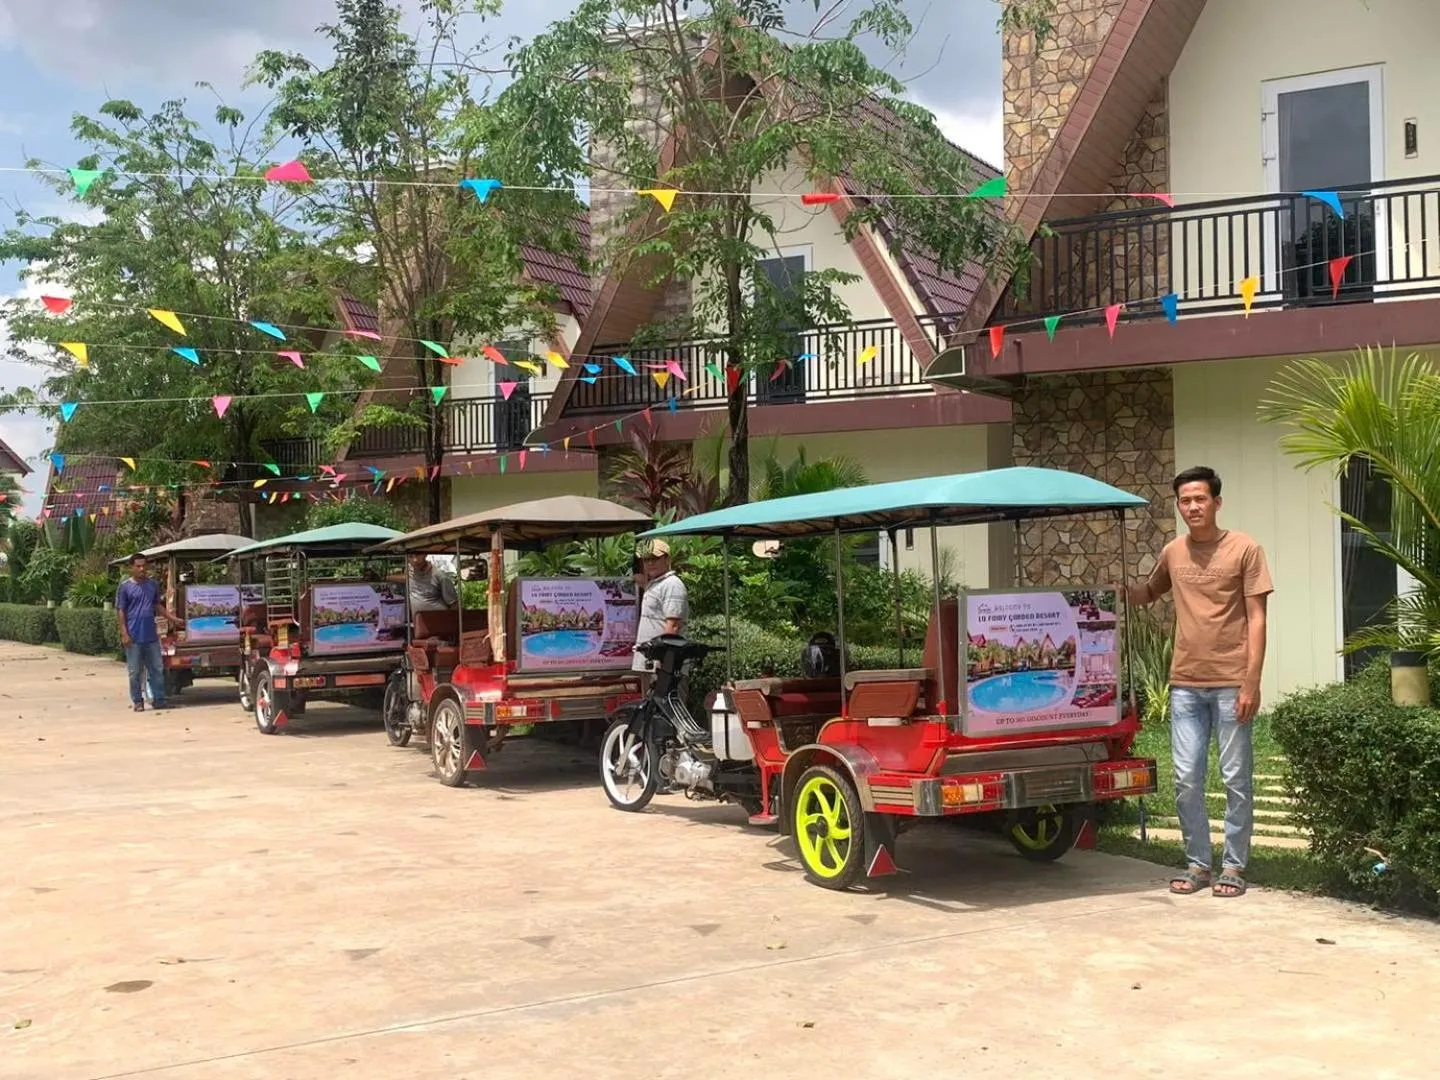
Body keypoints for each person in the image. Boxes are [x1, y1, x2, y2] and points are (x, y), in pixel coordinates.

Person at [1128, 465, 1273, 899]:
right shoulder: (1174, 552)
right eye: (1185, 500)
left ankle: (1233, 865)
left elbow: (1258, 617)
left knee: (1235, 778)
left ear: (1216, 502)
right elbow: (1148, 592)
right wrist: (1112, 590)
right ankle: (1197, 863)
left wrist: (1252, 682)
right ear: (1179, 506)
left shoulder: (1245, 549)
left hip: (1232, 682)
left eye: (1200, 499)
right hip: (1186, 683)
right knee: (1187, 778)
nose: (1192, 506)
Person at [115, 553, 178, 713]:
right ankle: (137, 701)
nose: (142, 569)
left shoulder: (152, 585)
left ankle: (160, 700)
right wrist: (124, 633)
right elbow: (121, 611)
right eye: (138, 566)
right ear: (131, 568)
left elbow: (157, 605)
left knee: (156, 669)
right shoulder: (125, 587)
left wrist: (173, 618)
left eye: (144, 566)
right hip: (133, 637)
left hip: (150, 636)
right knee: (134, 672)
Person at [632, 538, 688, 675]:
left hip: (664, 664)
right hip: (651, 661)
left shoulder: (672, 584)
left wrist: (665, 658)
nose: (650, 563)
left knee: (668, 697)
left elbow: (673, 624)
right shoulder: (657, 584)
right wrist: (645, 585)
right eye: (646, 559)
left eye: (655, 558)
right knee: (651, 696)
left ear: (667, 559)